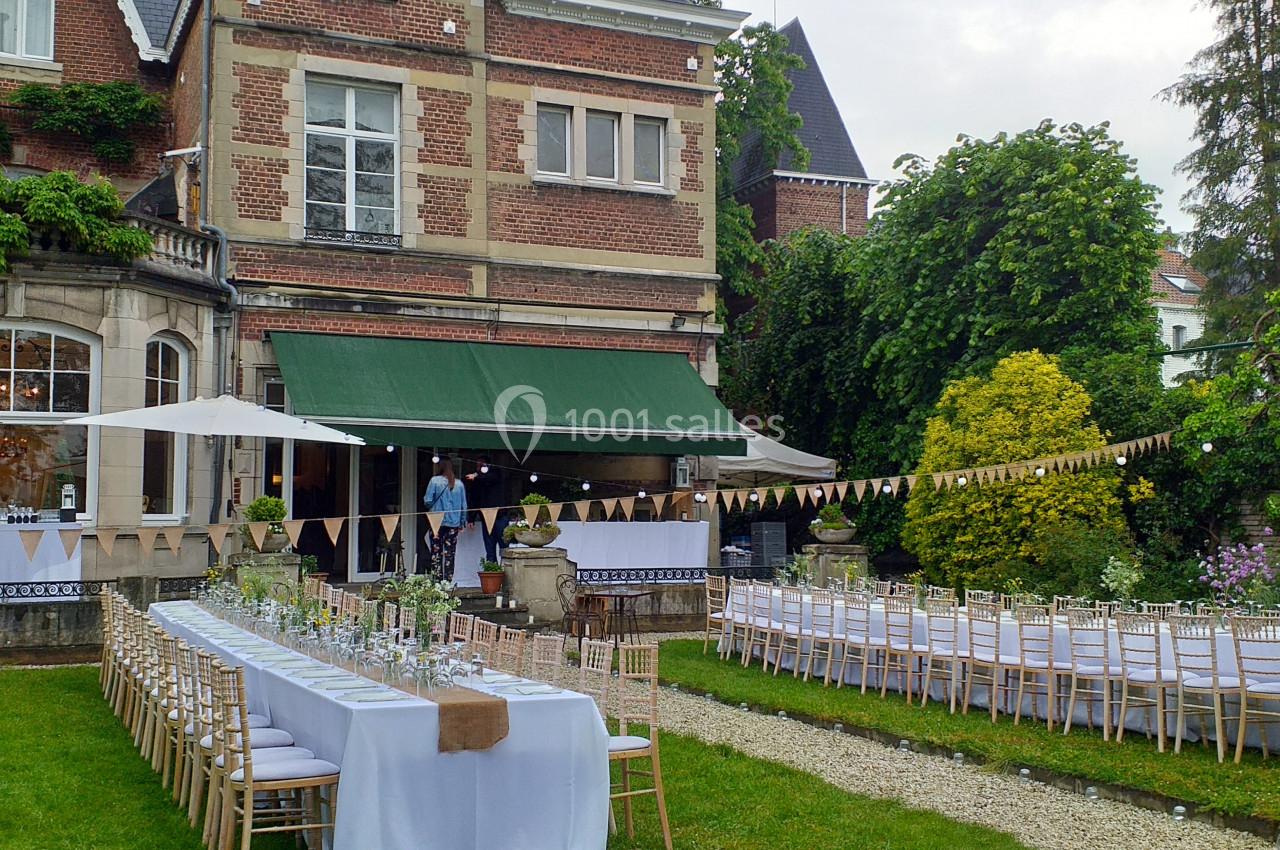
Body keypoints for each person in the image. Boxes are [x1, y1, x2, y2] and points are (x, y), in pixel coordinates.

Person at [423, 458, 468, 582]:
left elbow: (427, 501)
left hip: (436, 522)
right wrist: (462, 522)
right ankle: (448, 580)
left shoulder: (434, 481)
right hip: (453, 523)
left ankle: (437, 580)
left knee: (436, 552)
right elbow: (464, 506)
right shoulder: (459, 484)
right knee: (450, 553)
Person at [465, 455, 508, 563]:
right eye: (477, 465)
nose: (479, 467)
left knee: (505, 549)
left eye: (482, 465)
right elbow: (474, 499)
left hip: (500, 516)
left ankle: (508, 574)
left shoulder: (496, 473)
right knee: (490, 551)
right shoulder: (477, 482)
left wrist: (476, 475)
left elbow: (492, 477)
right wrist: (471, 518)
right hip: (486, 518)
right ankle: (493, 575)